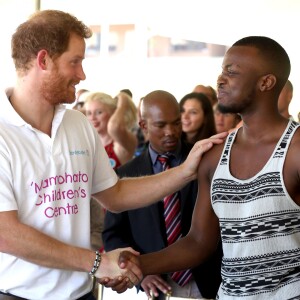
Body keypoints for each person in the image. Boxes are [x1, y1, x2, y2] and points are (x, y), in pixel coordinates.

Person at [0, 9, 227, 300]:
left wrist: (184, 171)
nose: (82, 74)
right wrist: (97, 262)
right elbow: (5, 233)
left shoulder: (77, 123)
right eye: (75, 62)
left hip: (82, 293)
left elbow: (116, 195)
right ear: (43, 60)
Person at [116, 36, 300, 299]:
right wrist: (138, 265)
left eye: (232, 72)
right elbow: (199, 242)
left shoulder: (295, 150)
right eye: (222, 70)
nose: (220, 79)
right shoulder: (214, 154)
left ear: (266, 82)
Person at [103, 90, 222, 300]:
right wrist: (141, 274)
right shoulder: (125, 175)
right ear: (144, 126)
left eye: (176, 123)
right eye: (161, 125)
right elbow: (113, 234)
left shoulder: (204, 161)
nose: (171, 131)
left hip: (206, 281)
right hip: (154, 286)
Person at [84, 91, 138, 168]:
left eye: (99, 112)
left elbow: (114, 127)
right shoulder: (89, 143)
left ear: (114, 114)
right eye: (89, 113)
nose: (92, 118)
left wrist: (122, 103)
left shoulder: (121, 144)